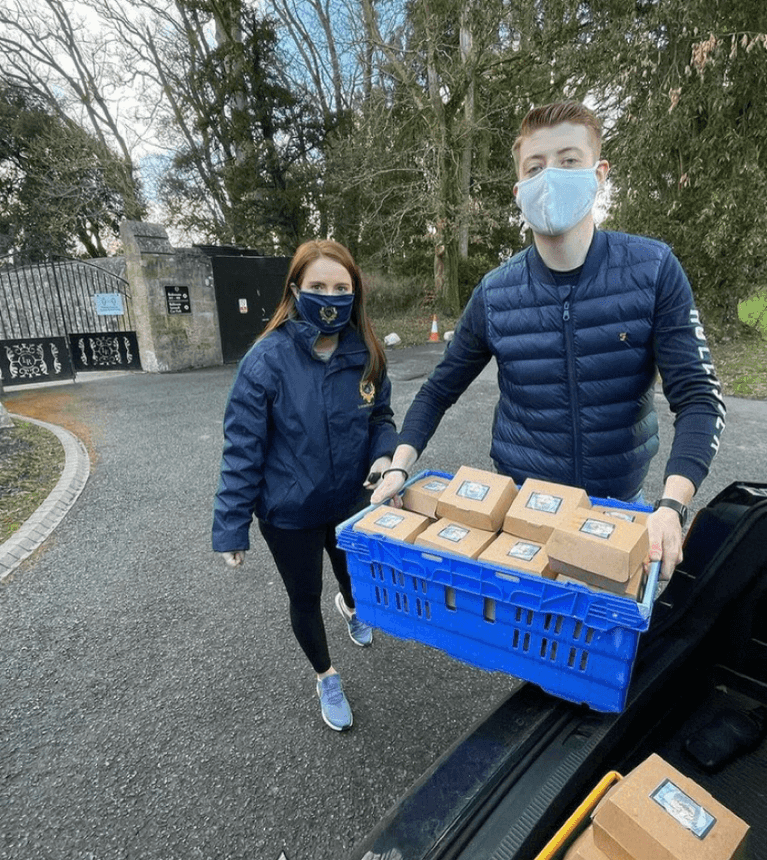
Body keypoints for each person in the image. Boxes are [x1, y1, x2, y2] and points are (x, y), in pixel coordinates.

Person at [369, 102, 727, 579]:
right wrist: (400, 463)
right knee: (523, 639)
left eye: (569, 160)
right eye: (536, 167)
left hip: (618, 509)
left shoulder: (653, 269)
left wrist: (671, 507)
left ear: (599, 173)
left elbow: (699, 396)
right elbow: (439, 389)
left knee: (610, 646)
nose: (551, 176)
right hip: (522, 512)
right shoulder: (496, 293)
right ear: (520, 190)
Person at [213, 240, 400, 732]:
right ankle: (326, 675)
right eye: (318, 287)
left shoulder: (366, 352)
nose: (331, 297)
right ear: (295, 290)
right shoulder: (265, 361)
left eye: (342, 288)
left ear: (355, 293)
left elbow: (381, 417)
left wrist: (384, 456)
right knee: (305, 596)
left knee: (351, 574)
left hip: (351, 502)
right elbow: (242, 448)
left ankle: (353, 607)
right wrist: (232, 526)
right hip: (289, 513)